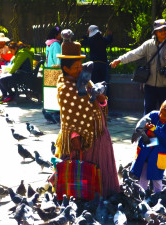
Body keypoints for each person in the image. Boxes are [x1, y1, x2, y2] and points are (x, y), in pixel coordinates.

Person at [54, 29, 120, 198]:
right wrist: (75, 137)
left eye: (80, 66)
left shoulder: (84, 79)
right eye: (75, 67)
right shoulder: (65, 88)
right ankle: (84, 194)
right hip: (82, 140)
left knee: (101, 166)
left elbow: (99, 101)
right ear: (66, 69)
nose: (79, 69)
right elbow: (68, 117)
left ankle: (103, 192)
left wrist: (102, 99)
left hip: (98, 133)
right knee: (84, 169)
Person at [110, 19, 166, 114]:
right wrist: (120, 60)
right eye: (161, 30)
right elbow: (134, 54)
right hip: (150, 85)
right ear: (155, 32)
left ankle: (165, 129)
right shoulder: (148, 44)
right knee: (149, 112)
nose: (164, 32)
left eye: (165, 29)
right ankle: (148, 129)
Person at [130, 96, 166, 193]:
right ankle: (142, 194)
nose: (161, 116)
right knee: (143, 173)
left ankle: (158, 195)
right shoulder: (154, 115)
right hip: (147, 148)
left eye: (165, 115)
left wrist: (155, 129)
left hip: (160, 151)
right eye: (161, 112)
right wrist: (143, 129)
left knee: (157, 176)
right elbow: (142, 123)